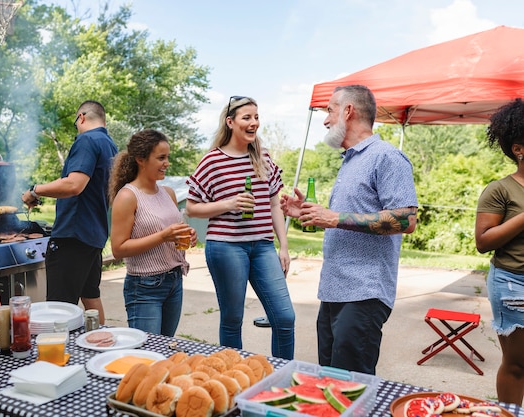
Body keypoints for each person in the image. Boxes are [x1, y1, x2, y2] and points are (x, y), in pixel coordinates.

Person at [281, 85, 418, 374]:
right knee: (330, 382)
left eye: (330, 110)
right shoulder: (350, 160)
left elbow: (407, 220)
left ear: (348, 111)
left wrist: (334, 218)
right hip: (333, 291)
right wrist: (309, 213)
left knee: (351, 387)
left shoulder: (386, 157)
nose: (326, 119)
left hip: (364, 293)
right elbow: (343, 221)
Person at [186, 96, 295, 360]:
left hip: (262, 246)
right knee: (233, 318)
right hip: (226, 247)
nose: (254, 123)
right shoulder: (212, 161)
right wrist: (228, 203)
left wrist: (283, 246)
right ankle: (233, 375)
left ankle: (280, 377)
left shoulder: (263, 157)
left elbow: (274, 205)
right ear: (230, 122)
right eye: (247, 117)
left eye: (256, 117)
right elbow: (192, 208)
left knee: (284, 317)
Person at [22, 100, 118, 326]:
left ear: (82, 117)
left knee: (58, 307)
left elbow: (74, 185)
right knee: (91, 297)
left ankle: (56, 359)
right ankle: (100, 346)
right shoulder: (110, 146)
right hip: (93, 235)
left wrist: (36, 190)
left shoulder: (87, 140)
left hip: (73, 236)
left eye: (76, 122)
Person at [109, 129, 196, 337]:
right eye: (161, 158)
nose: (167, 163)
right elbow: (118, 248)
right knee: (147, 354)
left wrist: (189, 235)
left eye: (167, 157)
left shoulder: (168, 193)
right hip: (145, 286)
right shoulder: (127, 196)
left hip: (174, 280)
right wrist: (163, 236)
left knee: (164, 348)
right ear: (141, 159)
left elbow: (174, 231)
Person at [475, 98, 524, 405]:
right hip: (513, 282)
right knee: (519, 364)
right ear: (519, 148)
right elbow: (483, 241)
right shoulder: (500, 190)